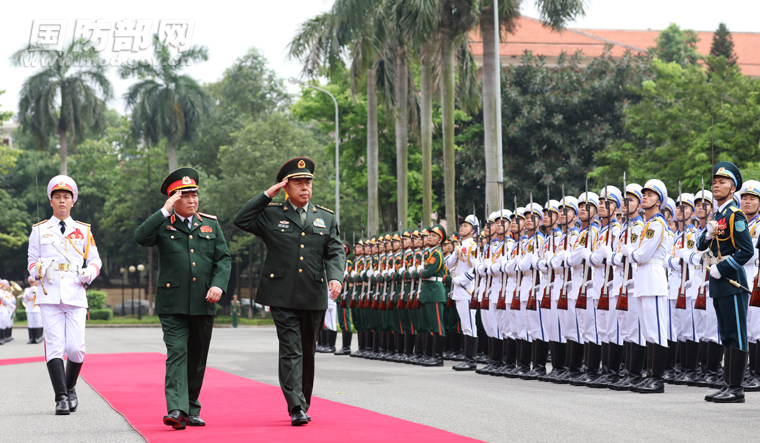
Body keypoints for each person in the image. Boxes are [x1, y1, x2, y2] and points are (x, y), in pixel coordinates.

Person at [233, 157, 345, 426]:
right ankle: (295, 406)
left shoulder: (325, 217)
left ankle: (302, 402)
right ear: (286, 186)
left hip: (313, 293)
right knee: (291, 349)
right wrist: (267, 193)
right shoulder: (271, 213)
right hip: (280, 294)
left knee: (308, 351)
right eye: (298, 183)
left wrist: (336, 277)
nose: (305, 187)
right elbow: (241, 219)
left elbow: (335, 251)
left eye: (308, 182)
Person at [135, 167, 232, 430]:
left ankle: (191, 406)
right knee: (177, 352)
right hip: (173, 303)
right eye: (185, 196)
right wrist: (164, 211)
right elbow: (140, 237)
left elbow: (223, 259)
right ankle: (177, 409)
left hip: (204, 301)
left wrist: (219, 286)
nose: (191, 200)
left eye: (194, 195)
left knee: (197, 357)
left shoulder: (210, 224)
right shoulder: (163, 224)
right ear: (173, 199)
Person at [27, 175, 102, 415]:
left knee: (76, 348)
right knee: (56, 346)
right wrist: (38, 269)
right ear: (50, 201)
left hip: (75, 292)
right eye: (57, 197)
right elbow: (30, 263)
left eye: (66, 197)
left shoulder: (83, 230)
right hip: (49, 294)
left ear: (73, 201)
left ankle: (70, 387)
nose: (61, 201)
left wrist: (88, 272)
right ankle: (60, 397)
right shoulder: (39, 231)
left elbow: (95, 261)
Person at [697, 162, 753, 403]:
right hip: (718, 281)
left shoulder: (735, 215)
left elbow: (747, 250)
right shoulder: (718, 215)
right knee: (726, 333)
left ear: (733, 188)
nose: (716, 185)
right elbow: (701, 245)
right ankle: (728, 383)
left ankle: (737, 389)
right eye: (714, 182)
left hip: (732, 280)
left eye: (722, 182)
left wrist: (723, 267)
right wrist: (707, 234)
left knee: (737, 333)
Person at [619, 179, 670, 394]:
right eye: (644, 194)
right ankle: (650, 375)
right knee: (649, 331)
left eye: (650, 194)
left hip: (653, 279)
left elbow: (642, 255)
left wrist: (627, 251)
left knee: (657, 330)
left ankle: (657, 379)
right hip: (644, 279)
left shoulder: (656, 224)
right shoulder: (648, 225)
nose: (645, 197)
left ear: (659, 200)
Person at [23, 276, 44, 344]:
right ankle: (31, 338)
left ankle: (38, 337)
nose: (33, 283)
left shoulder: (40, 289)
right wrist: (31, 292)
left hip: (37, 308)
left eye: (34, 282)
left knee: (38, 323)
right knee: (31, 323)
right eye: (31, 282)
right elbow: (24, 298)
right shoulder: (27, 290)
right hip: (30, 308)